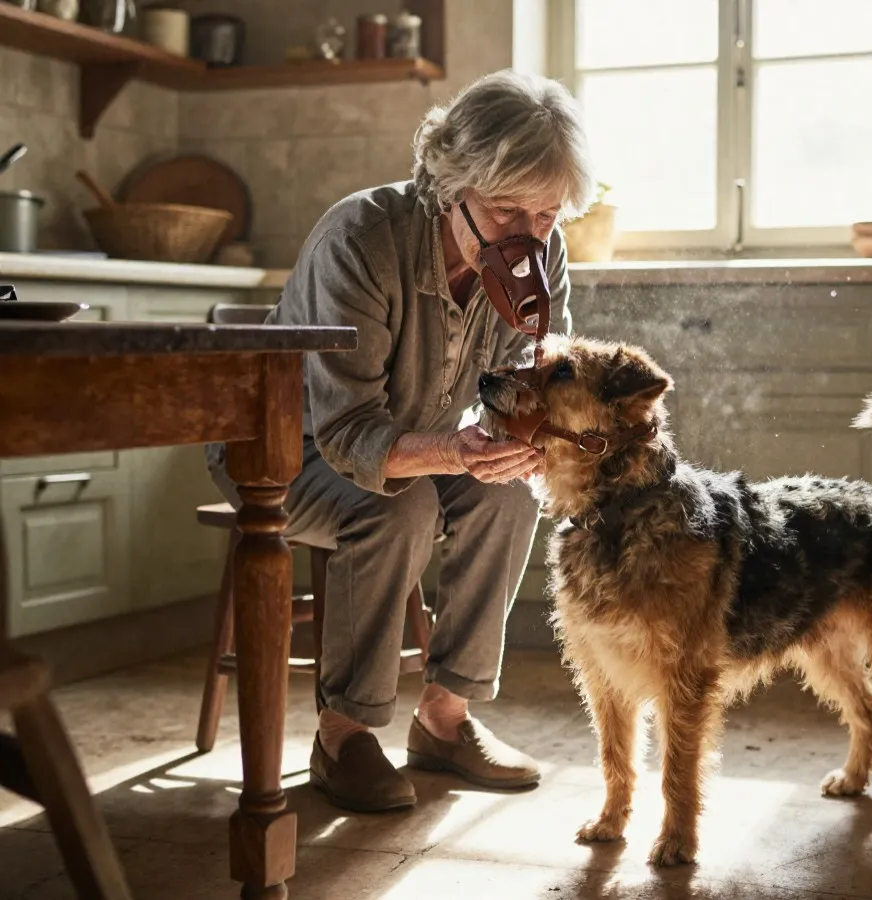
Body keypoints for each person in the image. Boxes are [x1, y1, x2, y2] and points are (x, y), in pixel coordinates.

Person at [205, 69, 595, 812]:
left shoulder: (539, 245)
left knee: (508, 497)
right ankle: (343, 734)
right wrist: (455, 452)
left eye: (546, 216)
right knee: (399, 509)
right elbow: (350, 431)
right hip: (290, 450)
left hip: (421, 441)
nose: (530, 235)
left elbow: (527, 374)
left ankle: (444, 719)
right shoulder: (365, 238)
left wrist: (534, 432)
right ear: (453, 186)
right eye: (508, 211)